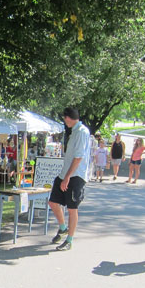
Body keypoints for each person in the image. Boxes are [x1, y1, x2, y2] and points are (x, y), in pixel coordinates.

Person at [48, 107, 90, 251]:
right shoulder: (74, 132)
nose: (65, 122)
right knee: (53, 202)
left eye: (65, 119)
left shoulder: (82, 132)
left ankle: (69, 240)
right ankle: (63, 228)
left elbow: (79, 157)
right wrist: (64, 176)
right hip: (65, 173)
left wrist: (67, 178)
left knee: (72, 208)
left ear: (67, 118)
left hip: (75, 175)